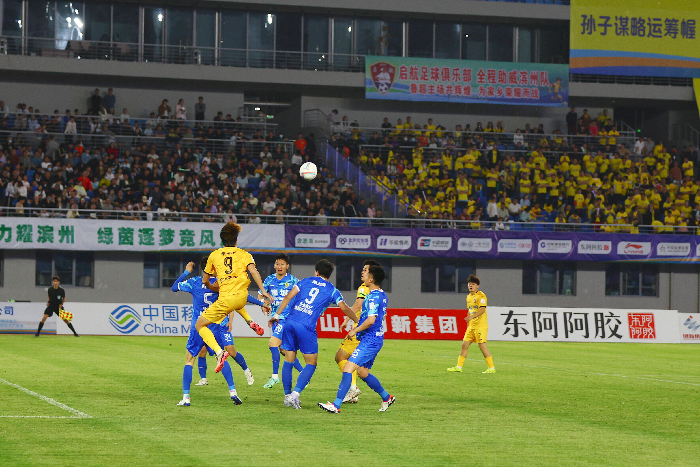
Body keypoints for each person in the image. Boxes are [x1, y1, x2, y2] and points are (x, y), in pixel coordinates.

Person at [172, 258, 264, 406]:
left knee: (189, 360)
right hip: (214, 326)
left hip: (198, 326)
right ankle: (233, 392)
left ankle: (186, 398)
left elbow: (174, 287)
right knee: (221, 357)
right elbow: (242, 296)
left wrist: (186, 272)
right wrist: (260, 303)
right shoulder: (223, 284)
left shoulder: (194, 282)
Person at [269, 259, 357, 409]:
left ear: (316, 272)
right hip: (306, 326)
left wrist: (277, 315)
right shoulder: (332, 290)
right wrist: (357, 321)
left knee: (289, 360)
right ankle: (295, 395)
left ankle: (287, 396)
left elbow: (288, 297)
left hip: (290, 321)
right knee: (311, 363)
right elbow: (344, 308)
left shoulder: (305, 281)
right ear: (329, 275)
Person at [194, 223, 273, 375]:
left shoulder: (214, 255)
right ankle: (250, 321)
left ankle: (219, 353)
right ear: (236, 240)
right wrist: (263, 291)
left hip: (226, 300)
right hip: (242, 297)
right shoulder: (244, 254)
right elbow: (254, 272)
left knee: (200, 325)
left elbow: (205, 280)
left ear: (222, 240)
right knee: (236, 301)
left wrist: (211, 287)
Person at [318, 263, 394, 414]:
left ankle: (336, 405)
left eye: (366, 272)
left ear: (371, 279)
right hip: (375, 338)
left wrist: (355, 330)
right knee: (363, 373)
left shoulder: (372, 297)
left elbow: (371, 320)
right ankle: (387, 397)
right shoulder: (381, 294)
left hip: (370, 339)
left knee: (348, 368)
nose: (363, 274)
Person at [333, 259, 381, 404]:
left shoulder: (364, 288)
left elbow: (357, 305)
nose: (362, 272)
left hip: (360, 331)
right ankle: (382, 396)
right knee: (356, 365)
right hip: (368, 332)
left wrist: (347, 319)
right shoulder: (378, 291)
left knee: (341, 357)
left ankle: (352, 388)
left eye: (366, 270)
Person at [259, 254, 304, 389]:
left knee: (272, 344)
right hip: (275, 318)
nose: (280, 266)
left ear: (287, 266)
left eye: (282, 264)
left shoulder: (293, 281)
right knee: (284, 350)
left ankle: (274, 377)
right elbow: (261, 294)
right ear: (274, 266)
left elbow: (302, 296)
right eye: (277, 264)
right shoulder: (269, 280)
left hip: (286, 319)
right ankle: (304, 375)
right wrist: (263, 302)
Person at [447, 274, 495, 374]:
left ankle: (491, 368)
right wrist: (469, 321)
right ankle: (459, 367)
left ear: (477, 286)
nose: (470, 286)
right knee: (464, 345)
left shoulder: (481, 296)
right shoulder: (468, 297)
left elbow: (482, 310)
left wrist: (471, 317)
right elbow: (470, 310)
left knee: (482, 346)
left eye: (473, 284)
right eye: (469, 284)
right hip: (472, 326)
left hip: (480, 326)